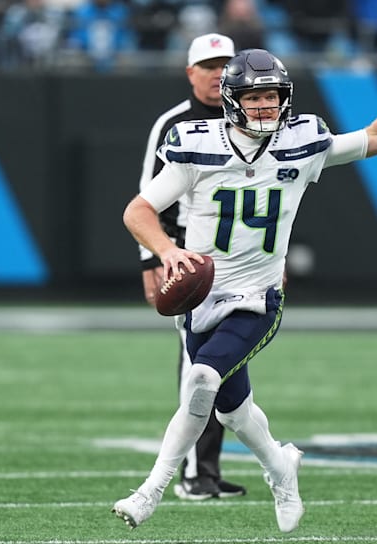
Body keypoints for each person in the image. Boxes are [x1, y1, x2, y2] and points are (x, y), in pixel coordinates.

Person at [114, 45, 377, 533]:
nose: (266, 106)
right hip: (203, 296)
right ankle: (280, 467)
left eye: (273, 96)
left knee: (202, 380)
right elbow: (137, 210)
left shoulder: (302, 140)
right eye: (255, 98)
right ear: (232, 101)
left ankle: (150, 492)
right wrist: (168, 252)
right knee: (233, 411)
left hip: (259, 295)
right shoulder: (195, 143)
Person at [135, 32, 247, 502]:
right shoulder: (174, 123)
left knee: (224, 360)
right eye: (208, 65)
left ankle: (207, 469)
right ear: (190, 72)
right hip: (187, 255)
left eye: (225, 64)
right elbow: (147, 194)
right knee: (199, 361)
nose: (217, 73)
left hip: (241, 257)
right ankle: (194, 473)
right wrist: (152, 261)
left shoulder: (252, 117)